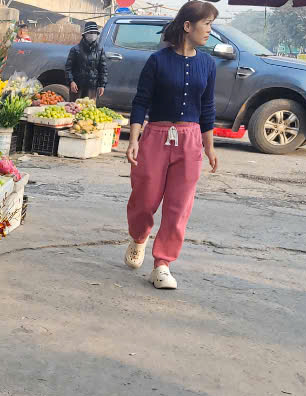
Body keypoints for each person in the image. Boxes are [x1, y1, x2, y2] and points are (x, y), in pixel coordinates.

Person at [123, 0, 219, 290]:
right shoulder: (158, 61)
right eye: (207, 25)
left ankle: (162, 264)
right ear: (188, 26)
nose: (209, 31)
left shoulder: (208, 64)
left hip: (189, 141)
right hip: (156, 137)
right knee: (144, 199)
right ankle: (139, 236)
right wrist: (134, 139)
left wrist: (209, 147)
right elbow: (141, 101)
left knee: (179, 207)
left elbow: (208, 107)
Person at [66, 21, 107, 101]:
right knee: (74, 109)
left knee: (89, 110)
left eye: (95, 32)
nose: (92, 35)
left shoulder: (100, 50)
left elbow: (103, 69)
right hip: (77, 87)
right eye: (90, 32)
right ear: (85, 34)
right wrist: (71, 81)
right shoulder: (75, 50)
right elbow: (68, 68)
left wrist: (102, 85)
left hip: (92, 88)